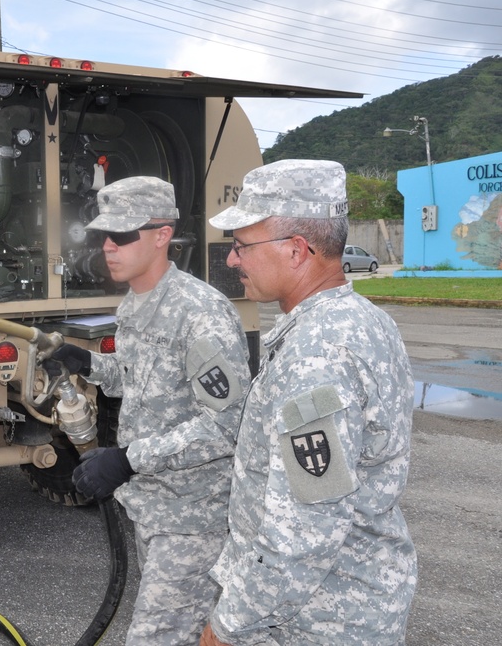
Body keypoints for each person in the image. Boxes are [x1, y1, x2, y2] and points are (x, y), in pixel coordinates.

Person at [200, 159, 417, 646]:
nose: (233, 260)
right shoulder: (362, 319)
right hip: (342, 606)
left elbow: (305, 526)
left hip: (316, 621)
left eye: (241, 246)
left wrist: (229, 625)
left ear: (297, 250)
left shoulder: (317, 354)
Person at [46, 175, 251, 645]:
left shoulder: (201, 314)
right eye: (103, 236)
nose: (108, 247)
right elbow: (138, 377)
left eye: (122, 235)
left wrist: (127, 458)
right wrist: (92, 364)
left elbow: (227, 426)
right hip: (153, 507)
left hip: (193, 517)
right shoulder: (136, 302)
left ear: (162, 235)